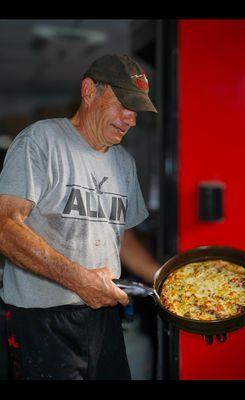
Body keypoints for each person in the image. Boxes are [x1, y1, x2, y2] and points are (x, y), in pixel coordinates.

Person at [0, 54, 160, 380]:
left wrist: (162, 277)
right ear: (89, 92)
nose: (130, 119)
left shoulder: (123, 162)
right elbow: (5, 227)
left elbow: (121, 235)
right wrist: (79, 280)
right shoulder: (41, 142)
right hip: (42, 321)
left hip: (103, 319)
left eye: (136, 111)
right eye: (122, 105)